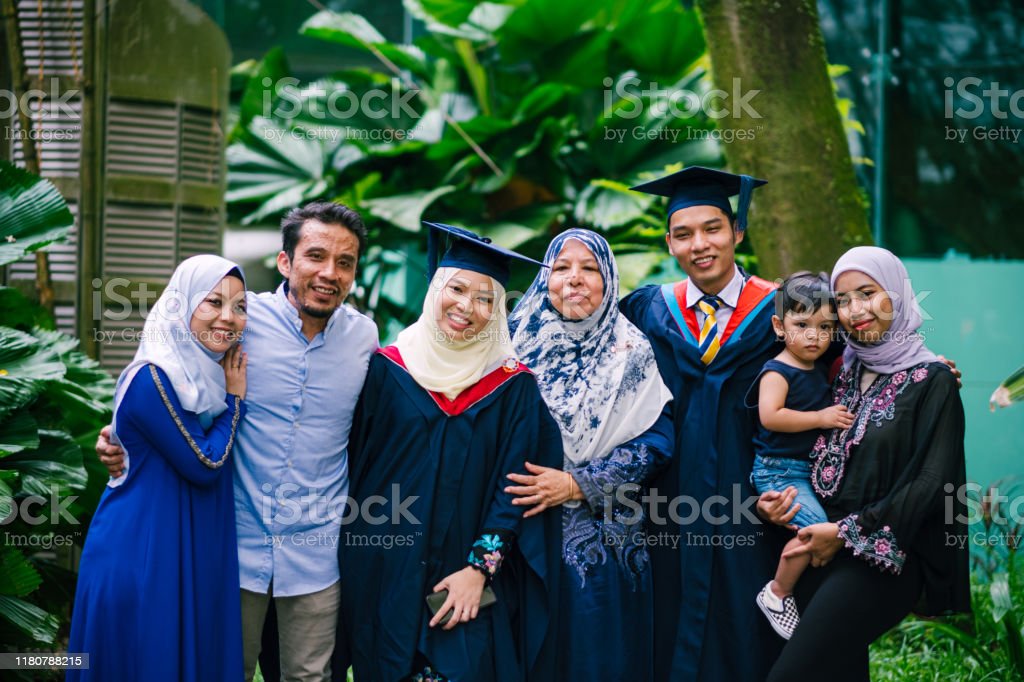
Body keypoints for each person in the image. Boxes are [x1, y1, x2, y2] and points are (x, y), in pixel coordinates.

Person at [96, 201, 379, 682]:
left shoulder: (365, 339)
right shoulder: (240, 323)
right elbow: (176, 379)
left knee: (310, 676)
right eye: (315, 256)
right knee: (223, 670)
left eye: (345, 262)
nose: (329, 272)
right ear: (285, 262)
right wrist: (123, 436)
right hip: (232, 545)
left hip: (315, 548)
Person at [334, 223, 563, 682]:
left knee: (463, 663)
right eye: (456, 288)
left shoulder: (513, 386)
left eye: (485, 298)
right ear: (436, 288)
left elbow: (514, 489)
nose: (466, 307)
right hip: (387, 568)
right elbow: (356, 465)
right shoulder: (386, 368)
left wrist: (479, 570)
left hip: (465, 576)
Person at [762, 246, 970, 681]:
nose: (855, 310)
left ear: (895, 292)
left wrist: (842, 532)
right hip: (816, 546)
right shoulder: (839, 368)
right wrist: (771, 502)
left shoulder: (933, 382)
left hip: (881, 556)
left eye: (868, 293)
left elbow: (931, 484)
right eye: (842, 300)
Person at [620, 166, 787, 681]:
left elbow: (845, 366)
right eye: (684, 234)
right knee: (668, 619)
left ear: (737, 232)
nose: (700, 244)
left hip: (751, 501)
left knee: (744, 623)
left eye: (713, 228)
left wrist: (922, 369)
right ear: (669, 243)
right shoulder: (649, 309)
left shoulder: (783, 307)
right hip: (667, 500)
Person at [68, 255, 248, 681]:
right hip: (143, 555)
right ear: (180, 306)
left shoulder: (205, 370)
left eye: (240, 306)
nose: (229, 317)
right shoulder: (154, 376)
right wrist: (236, 400)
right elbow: (206, 462)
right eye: (213, 302)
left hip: (183, 547)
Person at [505, 228, 674, 680]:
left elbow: (656, 442)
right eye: (561, 268)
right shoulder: (510, 345)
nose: (574, 279)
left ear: (609, 281)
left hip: (602, 538)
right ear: (545, 278)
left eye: (590, 268)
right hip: (518, 525)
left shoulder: (631, 351)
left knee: (597, 657)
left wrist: (578, 483)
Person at [746, 272, 855, 639]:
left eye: (825, 327)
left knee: (819, 530)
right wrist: (821, 418)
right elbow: (771, 416)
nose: (814, 335)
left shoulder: (819, 368)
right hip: (779, 472)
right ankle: (777, 593)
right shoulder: (777, 371)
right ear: (779, 325)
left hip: (801, 471)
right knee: (816, 530)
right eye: (802, 324)